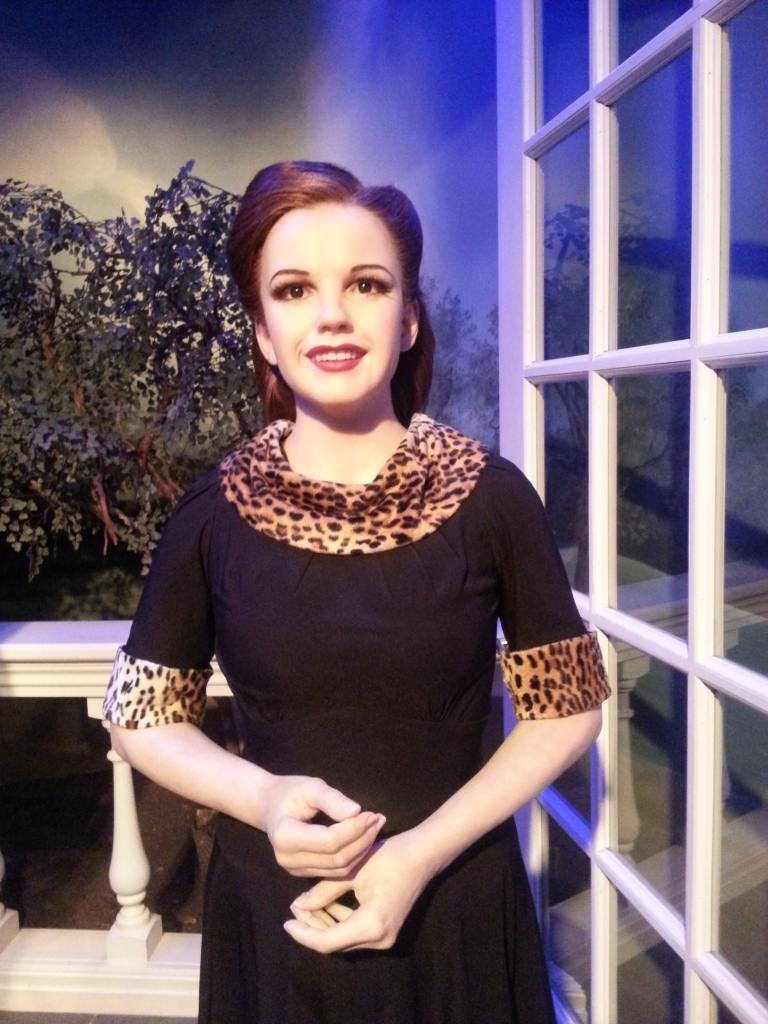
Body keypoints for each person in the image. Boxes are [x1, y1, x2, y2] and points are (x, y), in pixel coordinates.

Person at [102, 160, 610, 1024]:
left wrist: (416, 856)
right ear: (264, 333)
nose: (332, 314)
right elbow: (139, 716)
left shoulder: (492, 499)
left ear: (408, 318)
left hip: (453, 912)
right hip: (277, 924)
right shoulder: (213, 513)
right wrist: (263, 799)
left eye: (366, 284)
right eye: (294, 290)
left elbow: (569, 709)